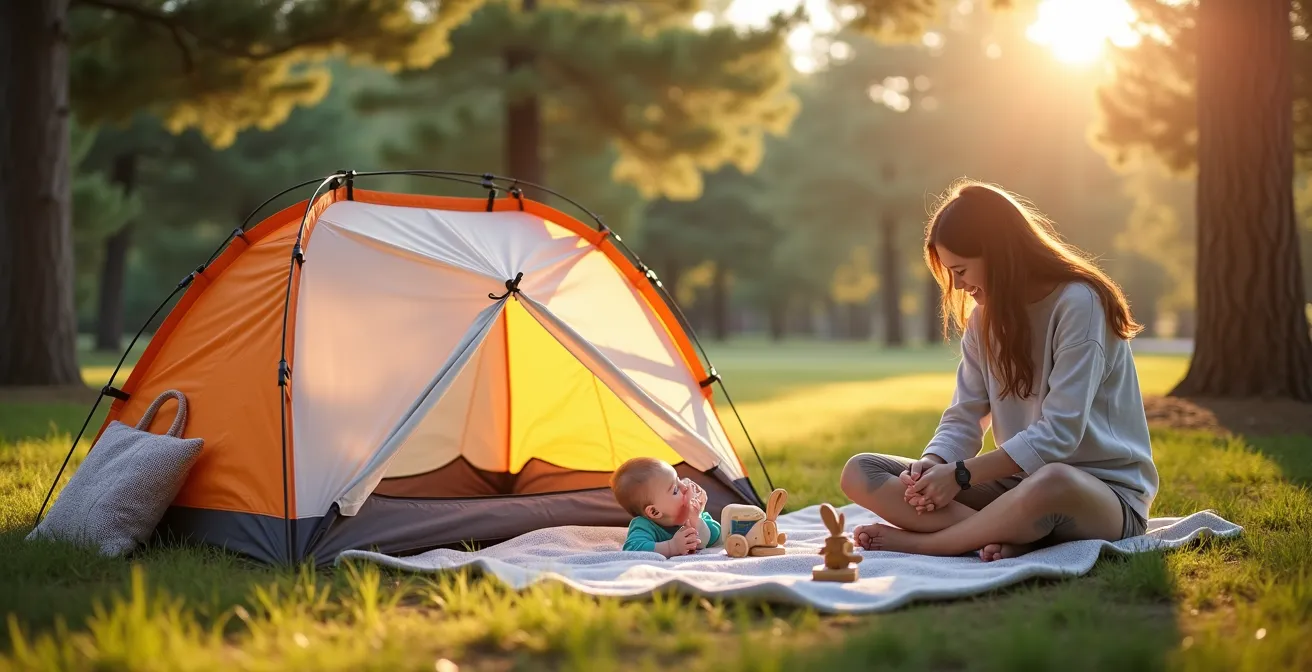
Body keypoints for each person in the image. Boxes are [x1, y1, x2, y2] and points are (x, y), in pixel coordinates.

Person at [839, 180, 1159, 561]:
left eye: (961, 269)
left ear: (998, 254)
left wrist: (961, 476)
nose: (957, 285)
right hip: (1016, 485)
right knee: (862, 472)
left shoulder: (1079, 304)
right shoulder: (983, 321)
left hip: (1101, 495)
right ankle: (1014, 535)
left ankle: (928, 543)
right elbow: (964, 417)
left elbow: (1060, 434)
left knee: (1052, 481)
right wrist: (932, 468)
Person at [611, 457, 721, 557]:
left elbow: (716, 535)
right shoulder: (645, 525)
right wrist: (671, 547)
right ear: (654, 511)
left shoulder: (692, 512)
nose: (685, 487)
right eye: (675, 490)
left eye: (680, 480)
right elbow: (633, 549)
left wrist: (696, 521)